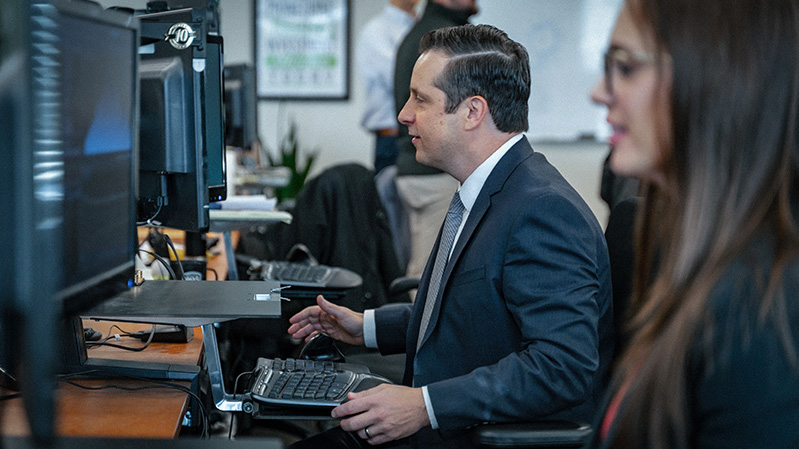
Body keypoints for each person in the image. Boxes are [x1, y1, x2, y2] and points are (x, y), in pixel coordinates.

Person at [288, 24, 614, 448]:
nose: (404, 114)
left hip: (469, 432)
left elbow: (564, 365)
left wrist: (424, 405)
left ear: (472, 112)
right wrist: (364, 327)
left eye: (420, 99)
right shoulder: (488, 187)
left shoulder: (542, 211)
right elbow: (471, 315)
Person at [588, 0, 799, 448]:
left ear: (716, 77)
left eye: (625, 68)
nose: (599, 92)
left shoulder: (762, 307)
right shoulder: (683, 249)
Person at [392, 0, 478, 283]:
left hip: (413, 169)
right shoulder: (448, 41)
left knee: (423, 270)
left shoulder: (420, 34)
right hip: (436, 175)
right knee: (429, 280)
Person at [356, 0, 418, 174]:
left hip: (422, 137)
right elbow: (402, 81)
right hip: (393, 139)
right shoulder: (377, 30)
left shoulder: (421, 26)